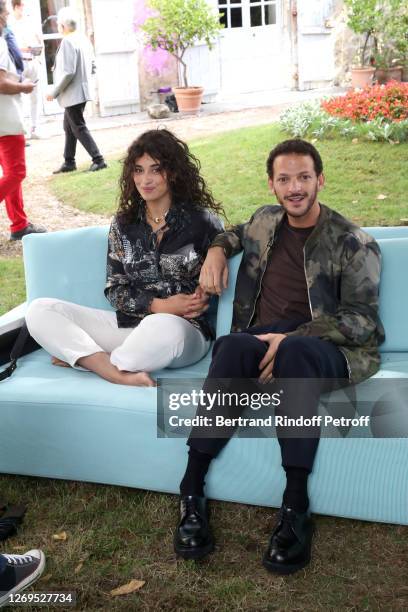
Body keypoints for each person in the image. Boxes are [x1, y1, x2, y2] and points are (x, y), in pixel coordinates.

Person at [173, 139, 385, 574]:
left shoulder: (354, 243)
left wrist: (290, 337)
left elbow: (363, 322)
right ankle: (191, 490)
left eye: (304, 177)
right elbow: (231, 232)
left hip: (325, 349)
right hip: (258, 337)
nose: (295, 188)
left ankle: (295, 507)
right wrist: (216, 249)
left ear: (320, 180)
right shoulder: (264, 222)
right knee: (231, 347)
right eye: (284, 179)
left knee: (298, 355)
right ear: (272, 185)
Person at [25, 129, 224, 386]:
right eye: (139, 170)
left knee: (164, 328)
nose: (146, 179)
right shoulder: (123, 224)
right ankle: (112, 369)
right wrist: (159, 305)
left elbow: (232, 242)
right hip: (131, 326)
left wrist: (219, 250)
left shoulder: (202, 221)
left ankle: (88, 358)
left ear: (173, 172)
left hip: (184, 330)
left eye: (156, 169)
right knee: (41, 310)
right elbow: (115, 290)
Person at [0, 0, 46, 240]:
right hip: (5, 120)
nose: (8, 17)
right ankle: (19, 224)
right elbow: (0, 83)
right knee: (16, 172)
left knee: (10, 173)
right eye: (6, 13)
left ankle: (19, 225)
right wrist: (23, 87)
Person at [47, 7, 107, 174]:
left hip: (73, 93)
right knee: (69, 126)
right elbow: (93, 66)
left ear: (63, 26)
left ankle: (98, 159)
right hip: (82, 90)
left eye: (58, 24)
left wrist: (54, 92)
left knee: (78, 127)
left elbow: (68, 72)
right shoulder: (83, 39)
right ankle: (69, 161)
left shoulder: (67, 41)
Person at [7, 0, 43, 140]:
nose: (24, 8)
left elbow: (39, 40)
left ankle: (34, 128)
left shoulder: (29, 21)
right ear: (15, 6)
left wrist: (38, 52)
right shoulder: (9, 23)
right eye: (22, 5)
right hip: (18, 64)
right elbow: (11, 46)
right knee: (20, 97)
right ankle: (22, 130)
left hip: (33, 61)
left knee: (35, 96)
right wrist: (24, 48)